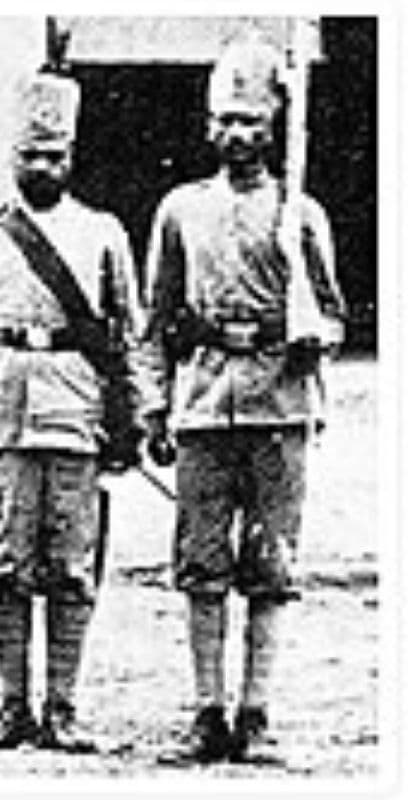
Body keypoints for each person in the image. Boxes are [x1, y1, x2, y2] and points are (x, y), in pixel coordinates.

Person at [138, 35, 346, 765]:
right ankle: (207, 711)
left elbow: (335, 314)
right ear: (208, 127)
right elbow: (155, 318)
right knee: (201, 564)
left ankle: (255, 712)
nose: (237, 134)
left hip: (280, 407)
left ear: (272, 128)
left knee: (271, 564)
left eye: (250, 121)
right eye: (225, 120)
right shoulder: (181, 210)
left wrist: (314, 333)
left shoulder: (301, 213)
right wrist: (153, 405)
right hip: (203, 403)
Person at [0, 71, 143, 754]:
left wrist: (135, 418)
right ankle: (11, 707)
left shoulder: (102, 233)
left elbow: (129, 333)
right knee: (6, 567)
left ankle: (62, 708)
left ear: (71, 158)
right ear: (12, 158)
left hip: (74, 416)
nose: (43, 168)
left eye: (54, 157)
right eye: (31, 156)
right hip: (0, 414)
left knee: (72, 570)